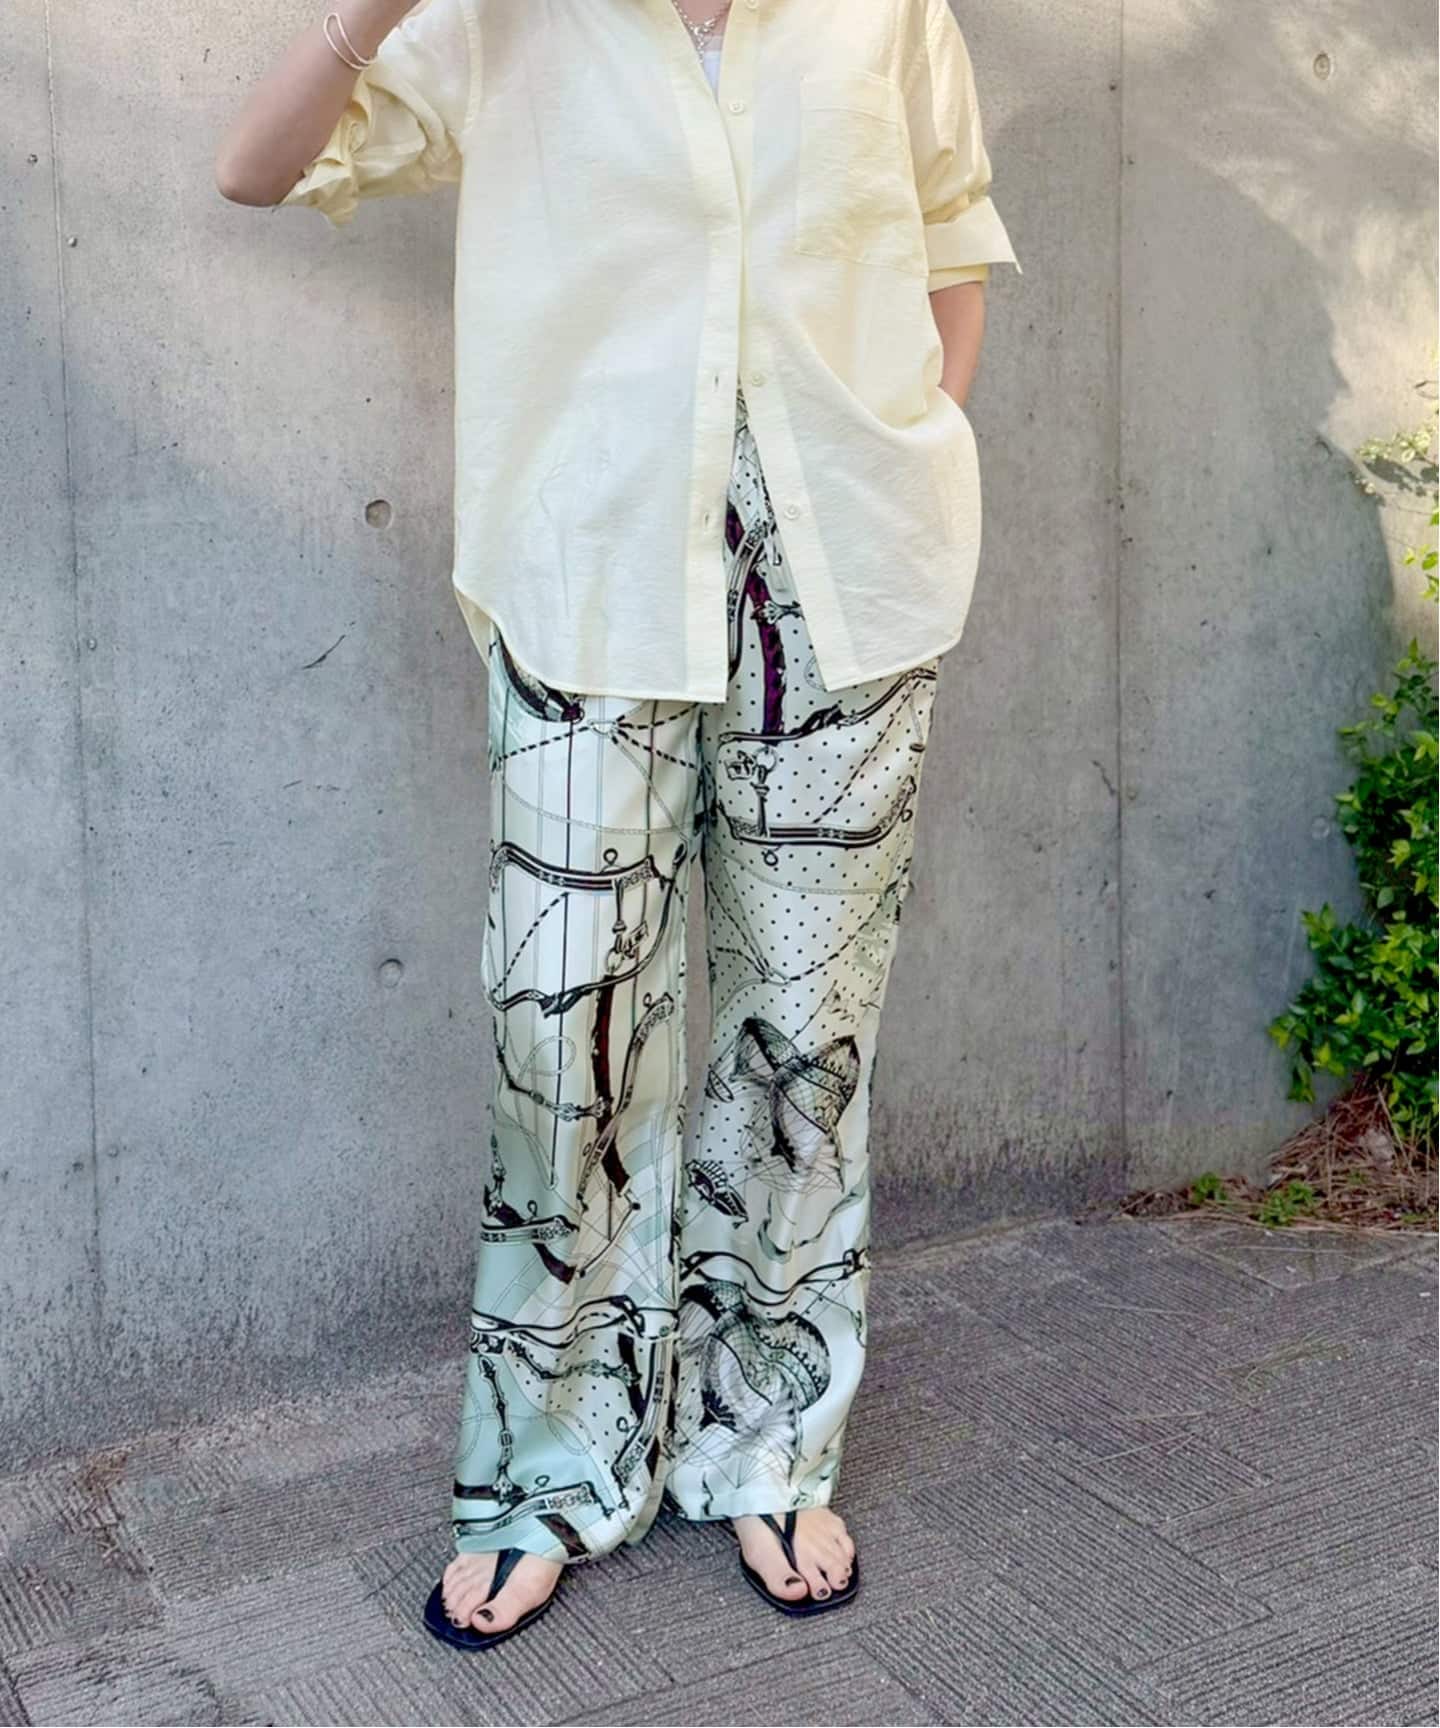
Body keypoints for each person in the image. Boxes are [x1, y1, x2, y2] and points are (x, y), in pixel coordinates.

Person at [215, 0, 1021, 1651]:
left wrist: (919, 451)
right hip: (585, 585)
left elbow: (952, 236)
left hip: (846, 596)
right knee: (563, 1036)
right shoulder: (508, 20)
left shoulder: (883, 13)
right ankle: (549, 1466)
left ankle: (767, 1443)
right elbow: (256, 168)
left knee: (805, 1043)